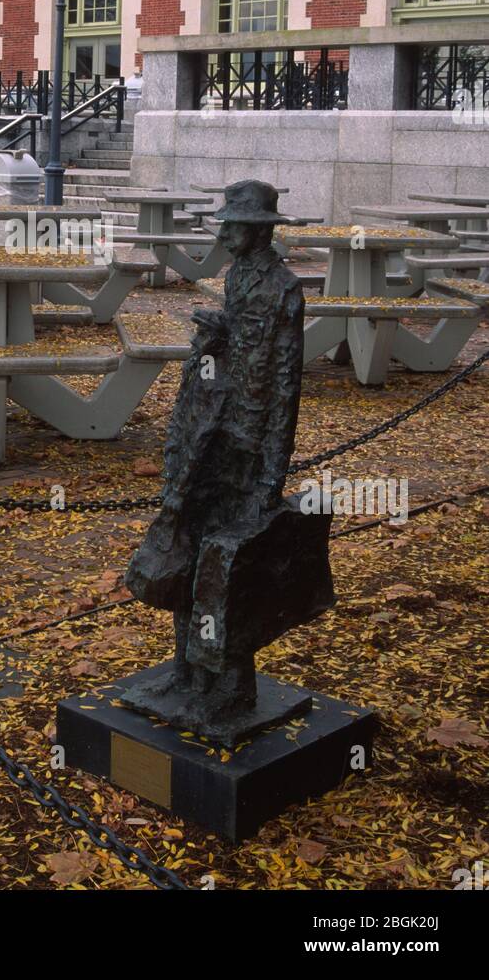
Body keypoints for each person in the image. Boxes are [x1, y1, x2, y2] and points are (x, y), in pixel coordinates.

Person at [123, 179, 318, 737]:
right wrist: (216, 339)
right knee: (188, 552)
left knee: (227, 569)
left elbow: (285, 384)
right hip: (214, 435)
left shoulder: (285, 291)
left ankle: (231, 685)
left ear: (257, 230)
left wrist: (272, 472)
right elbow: (237, 352)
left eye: (231, 223)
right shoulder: (235, 278)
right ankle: (187, 671)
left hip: (251, 444)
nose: (223, 231)